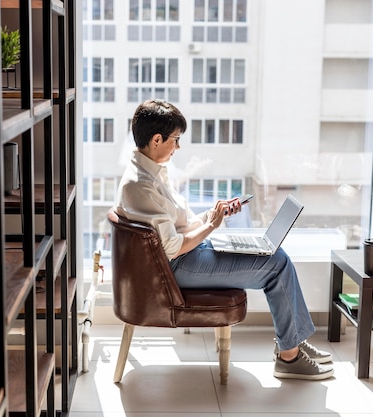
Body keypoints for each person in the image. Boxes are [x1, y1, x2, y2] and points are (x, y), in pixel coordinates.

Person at [114, 99, 334, 380]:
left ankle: (292, 341)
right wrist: (211, 227)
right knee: (277, 262)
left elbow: (178, 223)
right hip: (177, 266)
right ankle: (289, 357)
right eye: (176, 140)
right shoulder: (141, 184)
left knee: (272, 256)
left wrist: (214, 214)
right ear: (157, 139)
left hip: (186, 255)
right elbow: (173, 247)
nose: (178, 147)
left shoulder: (151, 172)